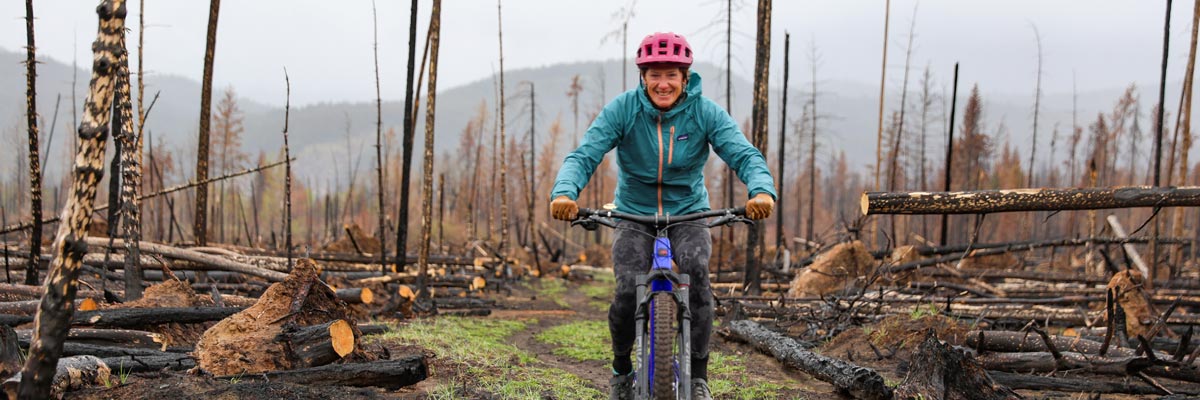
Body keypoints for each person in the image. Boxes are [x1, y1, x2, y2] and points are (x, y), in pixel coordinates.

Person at [548, 31, 776, 400]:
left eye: (671, 74)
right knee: (625, 290)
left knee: (697, 276)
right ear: (643, 77)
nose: (663, 83)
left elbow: (743, 153)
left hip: (688, 212)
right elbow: (584, 154)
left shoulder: (704, 112)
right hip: (633, 213)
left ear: (685, 78)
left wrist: (761, 189)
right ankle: (622, 369)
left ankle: (698, 376)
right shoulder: (624, 109)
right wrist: (564, 192)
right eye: (654, 74)